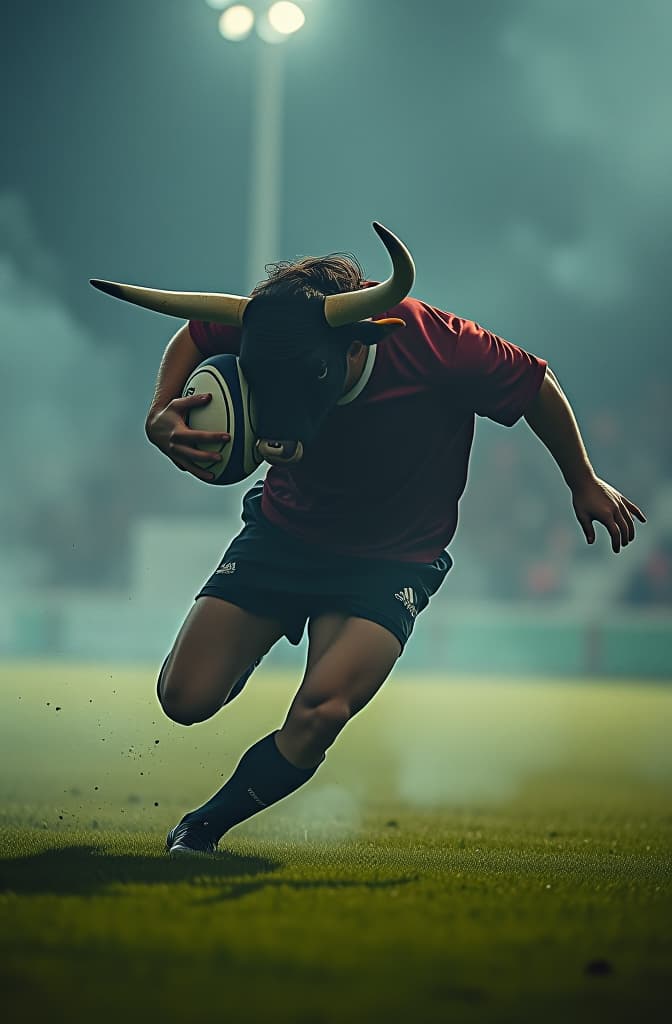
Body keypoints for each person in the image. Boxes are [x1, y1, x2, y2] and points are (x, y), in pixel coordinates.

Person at [135, 226, 646, 855]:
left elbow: (535, 383)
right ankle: (236, 657)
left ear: (363, 341)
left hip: (391, 562)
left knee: (321, 713)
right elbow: (194, 332)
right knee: (183, 700)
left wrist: (583, 480)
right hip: (284, 534)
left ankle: (204, 827)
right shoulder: (275, 327)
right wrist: (161, 408)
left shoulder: (439, 345)